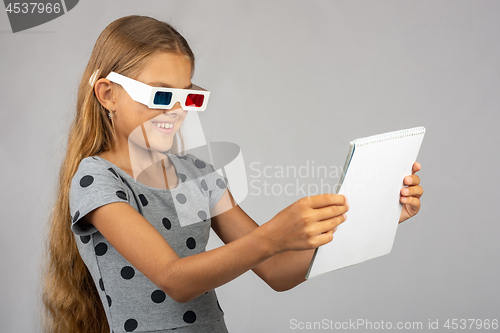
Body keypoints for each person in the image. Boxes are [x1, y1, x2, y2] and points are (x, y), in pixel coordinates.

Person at [40, 15, 424, 333]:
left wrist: (374, 216)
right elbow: (174, 279)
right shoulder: (98, 180)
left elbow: (275, 271)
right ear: (108, 95)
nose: (176, 110)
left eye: (188, 96)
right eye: (160, 94)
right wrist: (272, 235)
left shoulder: (196, 176)